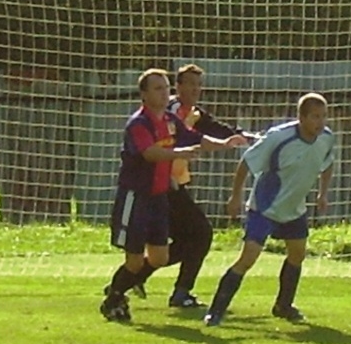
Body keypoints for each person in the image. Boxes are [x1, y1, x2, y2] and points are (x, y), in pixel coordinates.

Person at [100, 68, 246, 322]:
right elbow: (150, 153)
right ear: (143, 94)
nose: (164, 92)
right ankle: (114, 297)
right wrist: (180, 153)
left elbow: (195, 138)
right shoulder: (139, 123)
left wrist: (224, 143)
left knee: (159, 257)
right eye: (158, 88)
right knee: (134, 261)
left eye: (166, 87)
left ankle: (116, 294)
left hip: (158, 197)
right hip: (136, 197)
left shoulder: (169, 120)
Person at [129, 63, 258, 308]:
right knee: (200, 234)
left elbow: (216, 129)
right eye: (190, 83)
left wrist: (242, 137)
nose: (196, 89)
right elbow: (158, 145)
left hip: (175, 184)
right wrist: (167, 174)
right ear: (177, 87)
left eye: (199, 84)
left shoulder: (194, 113)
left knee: (190, 240)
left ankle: (135, 279)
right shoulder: (170, 111)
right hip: (162, 185)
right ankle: (172, 290)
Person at [203, 92, 335, 327]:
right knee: (248, 258)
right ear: (301, 117)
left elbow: (328, 163)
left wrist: (322, 193)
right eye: (315, 116)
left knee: (297, 254)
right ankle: (216, 311)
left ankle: (283, 306)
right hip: (264, 207)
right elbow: (246, 161)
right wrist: (235, 196)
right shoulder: (279, 137)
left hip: (294, 208)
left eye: (324, 116)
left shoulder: (326, 138)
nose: (321, 122)